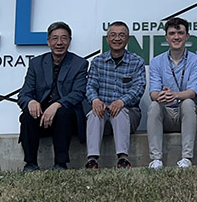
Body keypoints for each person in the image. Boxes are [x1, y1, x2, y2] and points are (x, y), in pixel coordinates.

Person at [17, 21, 88, 171]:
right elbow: (24, 93)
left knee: (63, 113)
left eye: (64, 38)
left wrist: (57, 105)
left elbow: (79, 93)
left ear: (69, 41)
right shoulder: (36, 63)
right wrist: (30, 102)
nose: (59, 42)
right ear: (48, 42)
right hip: (42, 116)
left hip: (67, 116)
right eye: (55, 38)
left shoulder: (79, 63)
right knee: (27, 116)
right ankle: (30, 164)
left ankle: (60, 164)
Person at [84, 21, 146, 169]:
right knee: (94, 113)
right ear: (107, 38)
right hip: (103, 111)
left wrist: (122, 101)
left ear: (128, 39)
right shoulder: (98, 61)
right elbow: (90, 85)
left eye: (121, 35)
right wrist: (95, 99)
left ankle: (123, 159)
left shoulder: (136, 61)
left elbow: (139, 87)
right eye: (113, 35)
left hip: (128, 112)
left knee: (119, 112)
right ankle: (92, 160)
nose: (117, 38)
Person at [147, 17, 197, 169]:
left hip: (186, 113)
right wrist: (161, 96)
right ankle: (156, 159)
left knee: (188, 102)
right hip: (166, 112)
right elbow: (153, 92)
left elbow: (192, 92)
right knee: (154, 105)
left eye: (180, 33)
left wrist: (174, 95)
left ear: (187, 36)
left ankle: (186, 158)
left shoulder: (196, 61)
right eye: (172, 33)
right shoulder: (156, 61)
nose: (176, 37)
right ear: (166, 37)